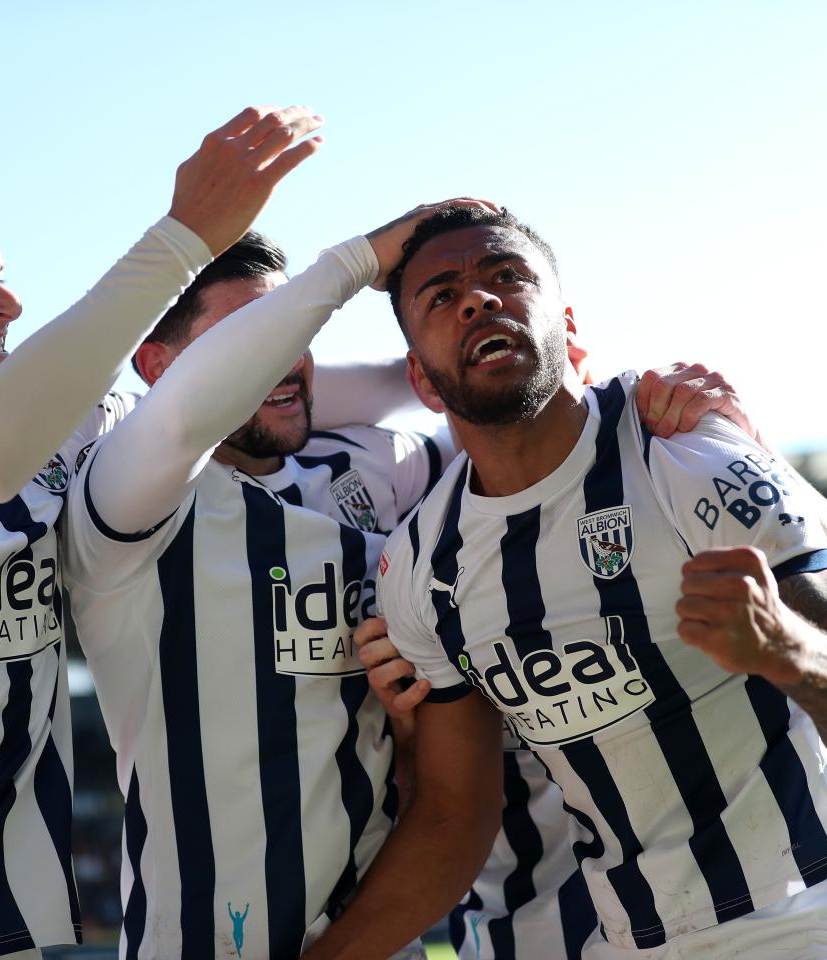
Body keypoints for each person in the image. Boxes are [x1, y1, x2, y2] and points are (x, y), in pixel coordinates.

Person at [61, 200, 742, 959]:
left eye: (293, 335)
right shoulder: (124, 501)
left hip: (384, 933)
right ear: (158, 368)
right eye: (250, 339)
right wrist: (361, 259)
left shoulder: (380, 466)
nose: (284, 359)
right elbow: (167, 417)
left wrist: (681, 411)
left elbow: (520, 420)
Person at [303, 205, 827, 960]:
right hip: (625, 940)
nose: (478, 299)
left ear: (567, 325)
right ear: (421, 381)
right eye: (442, 295)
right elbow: (451, 817)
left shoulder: (687, 456)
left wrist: (785, 649)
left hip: (805, 916)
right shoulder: (421, 568)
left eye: (507, 274)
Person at [0, 104, 323, 960]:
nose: (10, 302)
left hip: (3, 930)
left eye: (2, 276)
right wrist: (184, 238)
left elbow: (244, 400)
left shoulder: (61, 429)